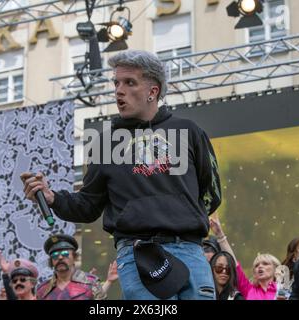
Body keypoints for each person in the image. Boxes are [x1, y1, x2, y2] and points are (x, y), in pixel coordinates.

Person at [21, 49, 222, 300]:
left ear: (153, 91)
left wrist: (183, 217)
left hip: (190, 251)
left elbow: (211, 194)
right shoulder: (105, 144)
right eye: (116, 82)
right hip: (138, 255)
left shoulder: (189, 131)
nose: (119, 90)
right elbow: (88, 205)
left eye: (130, 82)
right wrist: (53, 198)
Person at [209, 216, 280, 300]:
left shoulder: (284, 290)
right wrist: (220, 235)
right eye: (256, 266)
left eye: (265, 264)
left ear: (276, 269)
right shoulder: (249, 290)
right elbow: (234, 263)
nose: (260, 266)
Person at [36, 234, 106, 300]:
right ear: (51, 261)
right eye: (55, 255)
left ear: (74, 257)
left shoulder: (91, 283)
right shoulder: (43, 289)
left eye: (65, 254)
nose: (60, 257)